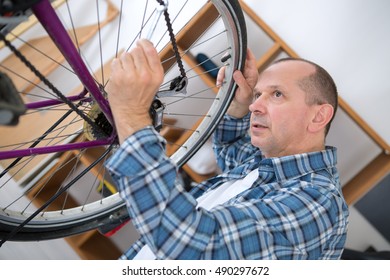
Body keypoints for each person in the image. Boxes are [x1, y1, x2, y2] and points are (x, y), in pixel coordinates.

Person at [105, 39, 349, 260]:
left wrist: (132, 114)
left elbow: (194, 246)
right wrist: (236, 107)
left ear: (319, 116)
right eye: (257, 94)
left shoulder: (319, 202)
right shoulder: (267, 160)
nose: (255, 105)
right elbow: (230, 150)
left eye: (276, 94)